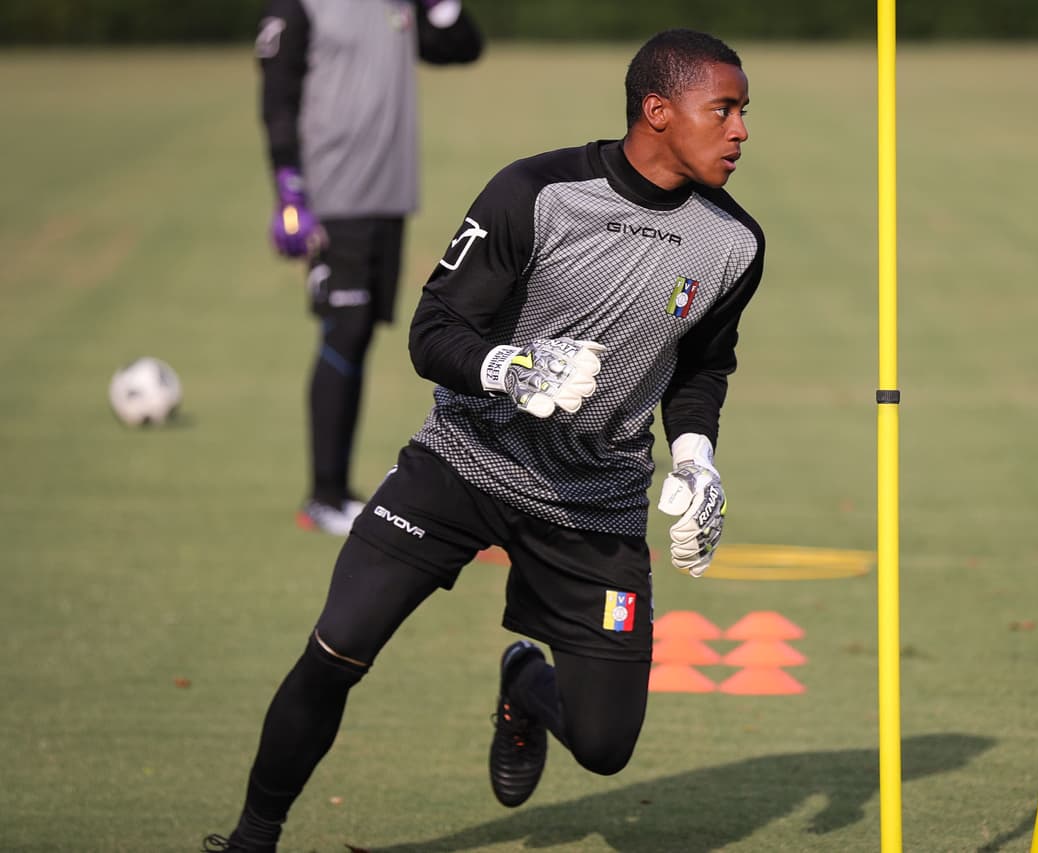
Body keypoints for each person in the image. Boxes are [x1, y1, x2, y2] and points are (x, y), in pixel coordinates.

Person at [203, 27, 764, 853]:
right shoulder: (534, 193)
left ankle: (525, 684)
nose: (742, 130)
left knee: (607, 748)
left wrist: (697, 456)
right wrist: (511, 367)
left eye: (743, 112)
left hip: (594, 504)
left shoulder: (735, 242)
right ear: (656, 110)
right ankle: (251, 838)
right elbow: (434, 330)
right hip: (465, 464)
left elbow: (702, 370)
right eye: (724, 109)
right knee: (338, 646)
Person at [256, 0, 483, 535]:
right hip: (334, 196)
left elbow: (461, 48)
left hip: (388, 196)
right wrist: (288, 188)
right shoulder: (301, 6)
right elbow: (277, 94)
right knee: (345, 328)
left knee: (360, 336)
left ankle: (338, 491)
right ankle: (323, 495)